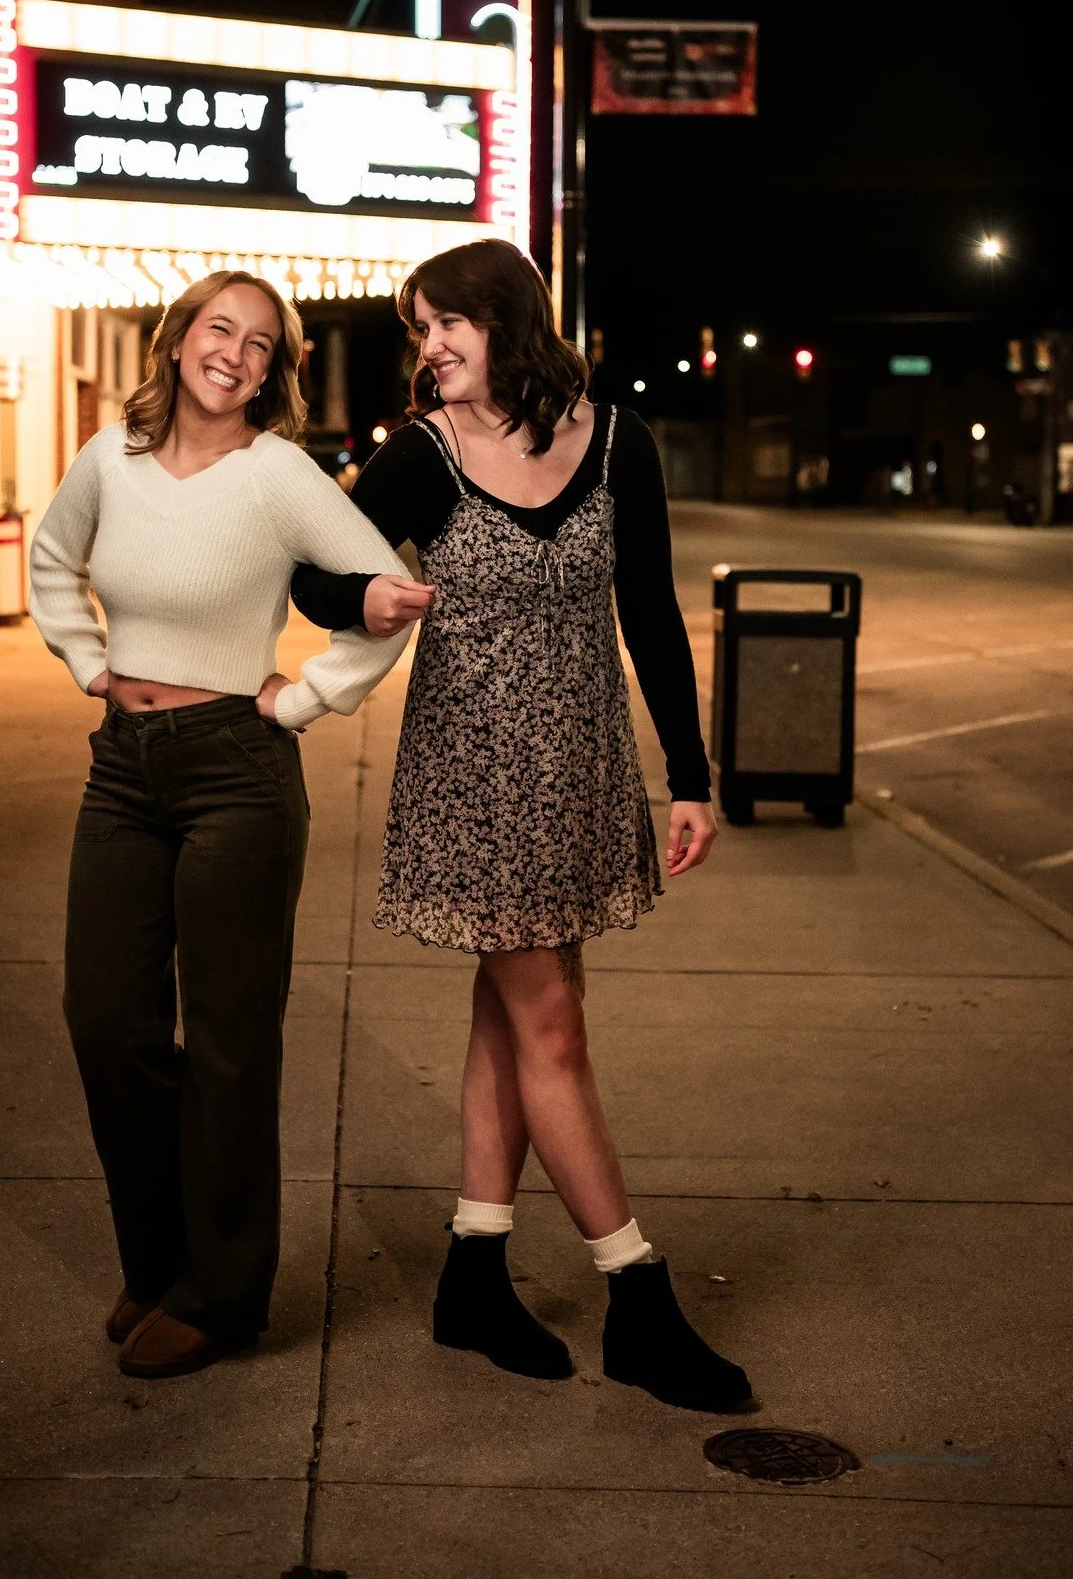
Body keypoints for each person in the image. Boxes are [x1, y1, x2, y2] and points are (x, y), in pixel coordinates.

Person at [291, 239, 751, 1412]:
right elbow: (314, 569)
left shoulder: (615, 440)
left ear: (509, 322)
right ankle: (636, 1297)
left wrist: (688, 776)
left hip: (583, 774)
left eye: (446, 322)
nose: (429, 347)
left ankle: (472, 1272)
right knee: (552, 1031)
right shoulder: (423, 459)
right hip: (474, 776)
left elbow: (648, 611)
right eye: (417, 329)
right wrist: (365, 593)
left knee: (521, 1015)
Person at [29, 271, 426, 1381]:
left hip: (235, 775)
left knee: (227, 1044)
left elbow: (388, 591)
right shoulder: (111, 454)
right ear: (178, 337)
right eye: (222, 329)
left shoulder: (280, 474)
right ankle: (158, 1260)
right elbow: (53, 558)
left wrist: (304, 696)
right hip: (124, 767)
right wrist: (87, 658)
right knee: (105, 1018)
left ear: (273, 372)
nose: (238, 355)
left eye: (262, 346)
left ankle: (222, 1293)